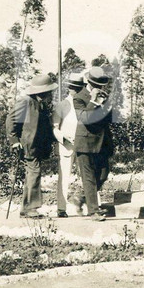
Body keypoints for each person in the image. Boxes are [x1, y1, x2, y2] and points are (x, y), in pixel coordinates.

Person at [7, 74, 59, 219]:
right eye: (49, 91)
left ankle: (26, 208)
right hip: (28, 145)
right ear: (42, 91)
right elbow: (11, 120)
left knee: (32, 174)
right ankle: (31, 208)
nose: (50, 94)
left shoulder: (40, 104)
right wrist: (14, 140)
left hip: (37, 146)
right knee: (34, 173)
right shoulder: (26, 102)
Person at [72, 67, 114, 222]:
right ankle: (93, 212)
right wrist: (94, 101)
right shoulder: (79, 97)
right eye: (96, 85)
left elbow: (108, 120)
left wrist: (106, 104)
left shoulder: (104, 96)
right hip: (85, 142)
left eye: (101, 85)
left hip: (102, 143)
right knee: (89, 178)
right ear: (89, 82)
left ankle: (81, 197)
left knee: (103, 174)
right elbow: (84, 118)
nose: (99, 87)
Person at [52, 72, 85, 217]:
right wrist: (64, 138)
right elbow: (54, 128)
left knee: (87, 176)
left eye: (78, 88)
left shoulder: (86, 104)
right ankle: (61, 208)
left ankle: (91, 207)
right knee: (64, 177)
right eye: (73, 87)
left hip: (84, 145)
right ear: (68, 88)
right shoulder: (62, 105)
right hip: (67, 146)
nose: (75, 90)